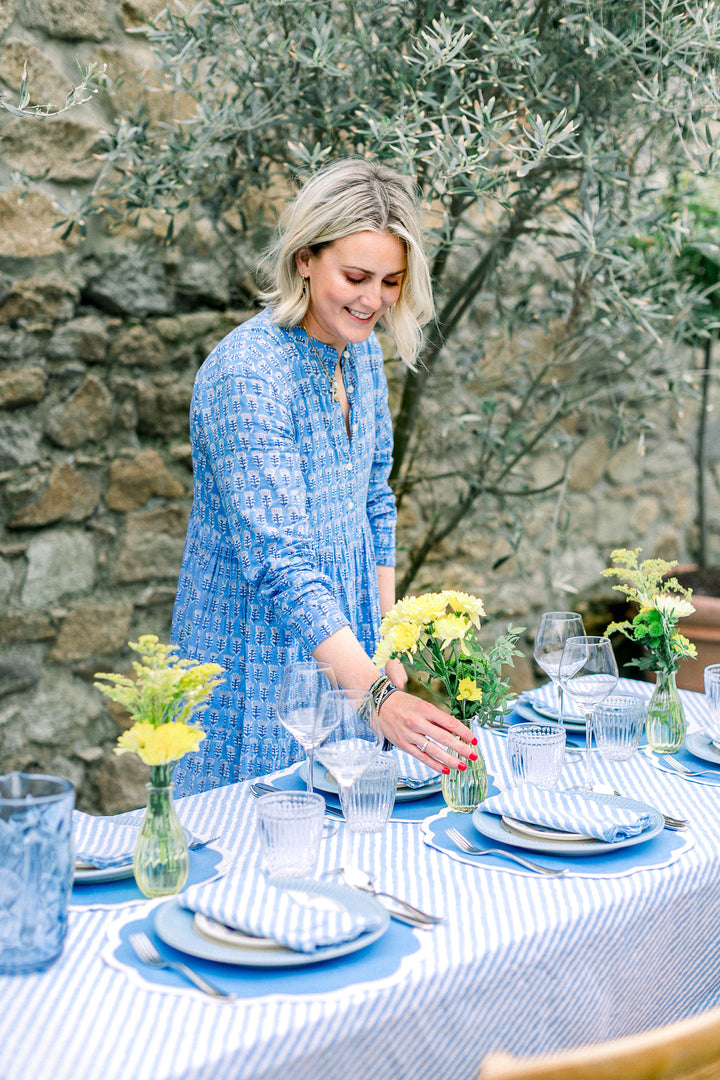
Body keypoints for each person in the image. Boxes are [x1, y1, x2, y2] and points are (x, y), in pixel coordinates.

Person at [170, 158, 478, 796]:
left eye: (391, 282)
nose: (373, 301)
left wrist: (387, 648)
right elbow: (279, 563)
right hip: (253, 658)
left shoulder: (360, 353)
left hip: (347, 659)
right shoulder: (247, 375)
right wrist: (372, 695)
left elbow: (375, 503)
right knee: (255, 862)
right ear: (305, 258)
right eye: (356, 276)